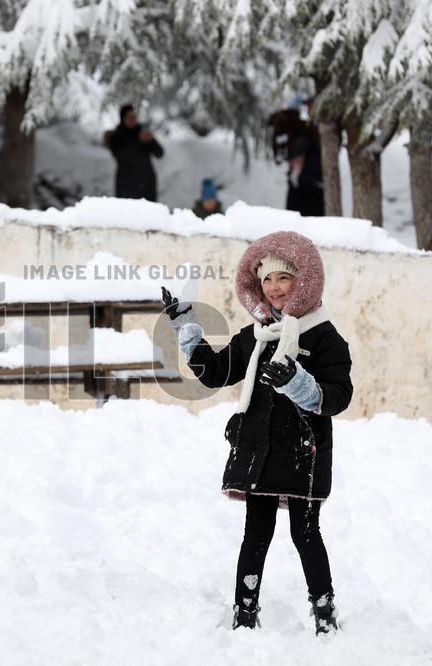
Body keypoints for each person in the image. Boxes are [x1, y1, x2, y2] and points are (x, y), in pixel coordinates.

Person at [162, 230, 352, 634]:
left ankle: (325, 616)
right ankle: (244, 615)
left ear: (305, 280)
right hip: (260, 452)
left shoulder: (323, 336)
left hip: (304, 452)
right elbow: (214, 372)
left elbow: (338, 395)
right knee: (255, 534)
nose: (275, 288)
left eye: (284, 277)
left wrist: (300, 385)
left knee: (305, 534)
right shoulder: (257, 334)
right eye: (267, 280)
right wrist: (184, 323)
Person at [267, 107, 324, 216]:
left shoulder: (298, 137)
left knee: (297, 220)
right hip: (315, 184)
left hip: (304, 187)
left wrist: (294, 175)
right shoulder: (304, 132)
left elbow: (298, 158)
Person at [106, 104, 164, 201]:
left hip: (147, 185)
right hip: (126, 187)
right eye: (129, 117)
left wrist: (151, 140)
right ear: (123, 118)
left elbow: (160, 153)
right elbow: (121, 156)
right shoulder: (116, 136)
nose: (132, 119)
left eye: (134, 116)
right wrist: (139, 141)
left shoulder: (142, 132)